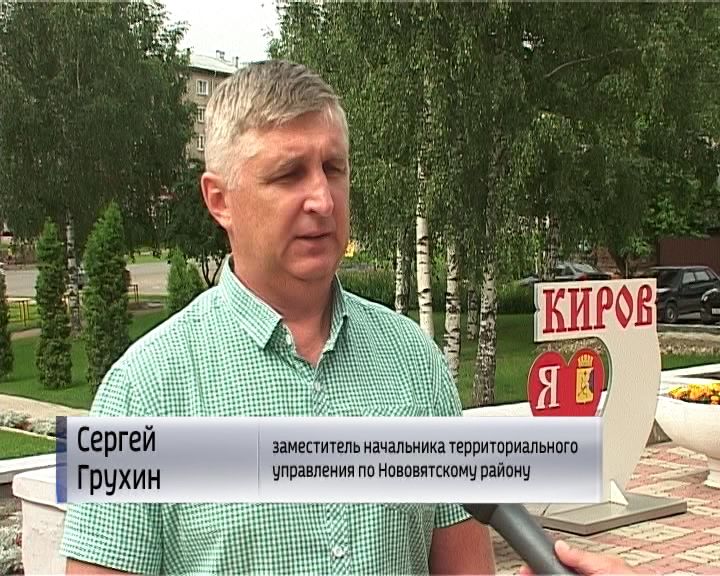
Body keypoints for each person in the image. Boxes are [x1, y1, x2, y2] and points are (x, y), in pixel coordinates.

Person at [61, 60, 637, 575]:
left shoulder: (416, 363)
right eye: (288, 174)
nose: (322, 199)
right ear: (219, 199)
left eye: (333, 168)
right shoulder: (136, 393)